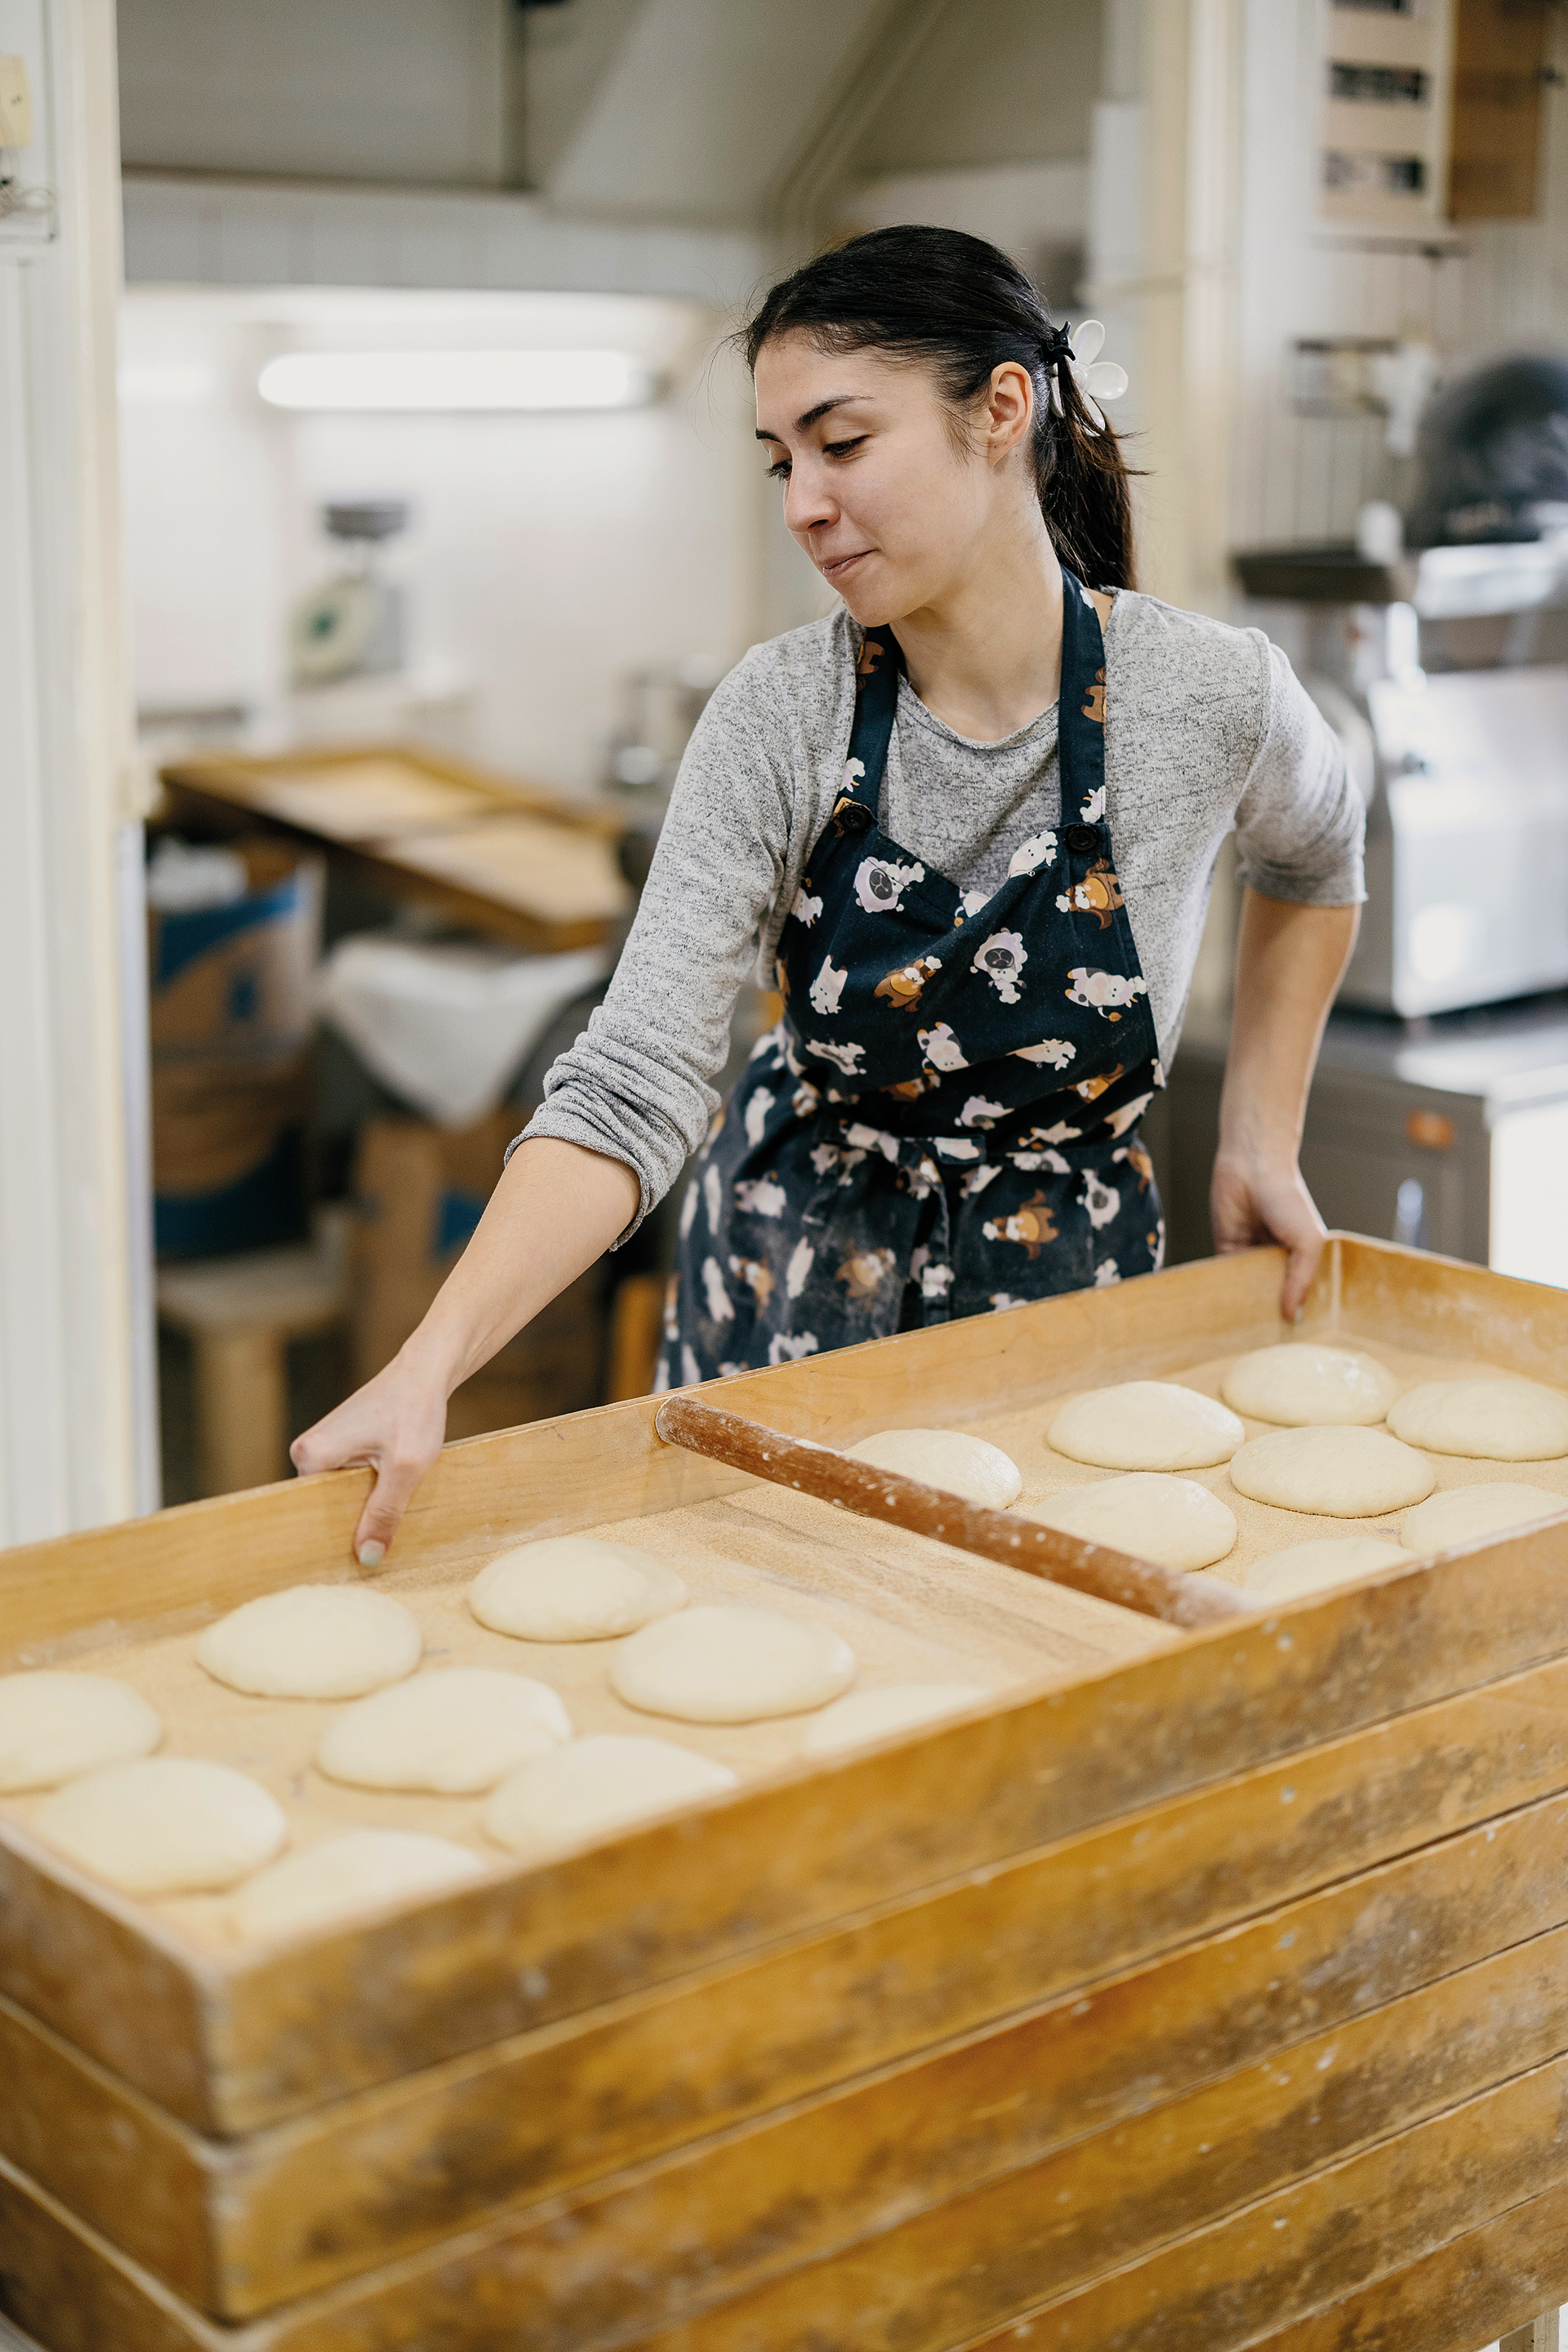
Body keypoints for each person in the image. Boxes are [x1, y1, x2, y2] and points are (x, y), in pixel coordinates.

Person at [293, 226, 1363, 1564]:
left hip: (1060, 1303)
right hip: (790, 1288)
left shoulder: (1207, 700)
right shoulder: (780, 717)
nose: (802, 499)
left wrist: (1261, 1134)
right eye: (781, 461)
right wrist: (428, 1366)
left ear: (1001, 411)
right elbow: (637, 1079)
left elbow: (1319, 850)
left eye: (840, 443)